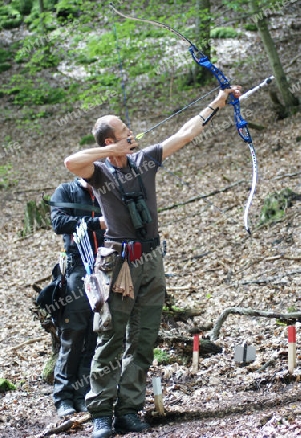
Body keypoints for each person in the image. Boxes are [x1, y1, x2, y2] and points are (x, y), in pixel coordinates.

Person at [64, 86, 241, 437]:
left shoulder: (145, 160)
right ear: (110, 139)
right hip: (118, 264)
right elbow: (70, 162)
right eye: (124, 131)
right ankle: (100, 414)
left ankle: (129, 409)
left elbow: (185, 133)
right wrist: (109, 151)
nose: (131, 133)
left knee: (143, 339)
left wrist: (217, 103)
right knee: (111, 338)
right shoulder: (97, 172)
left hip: (152, 259)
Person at [50, 177, 106, 417]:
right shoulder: (66, 191)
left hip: (106, 266)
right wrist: (96, 223)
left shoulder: (107, 190)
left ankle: (84, 394)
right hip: (76, 267)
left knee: (96, 333)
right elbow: (59, 222)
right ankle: (63, 397)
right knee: (73, 332)